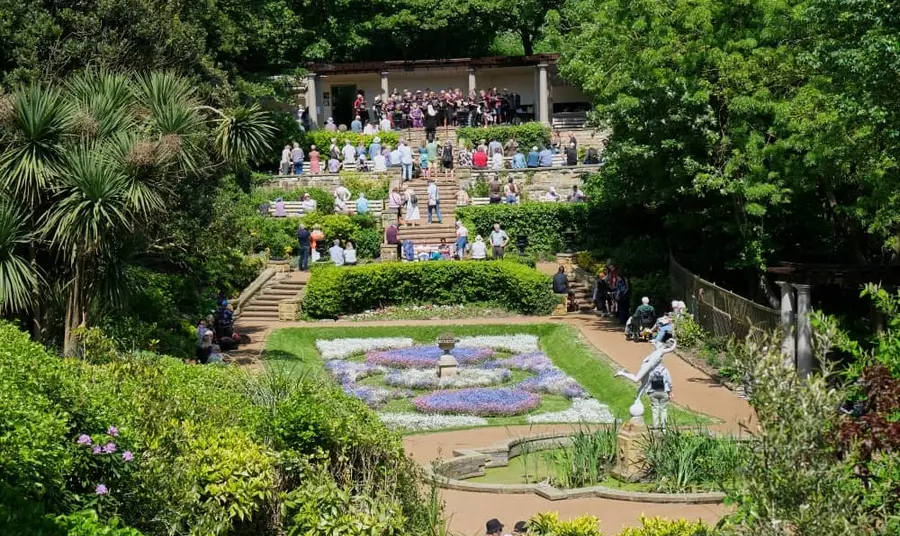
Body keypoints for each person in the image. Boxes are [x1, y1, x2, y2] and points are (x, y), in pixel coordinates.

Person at [647, 361, 674, 429]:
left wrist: (648, 391)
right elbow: (669, 382)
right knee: (663, 409)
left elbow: (648, 382)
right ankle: (663, 425)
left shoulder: (651, 371)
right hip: (664, 392)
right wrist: (671, 391)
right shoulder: (665, 370)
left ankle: (655, 425)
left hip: (653, 392)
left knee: (655, 409)